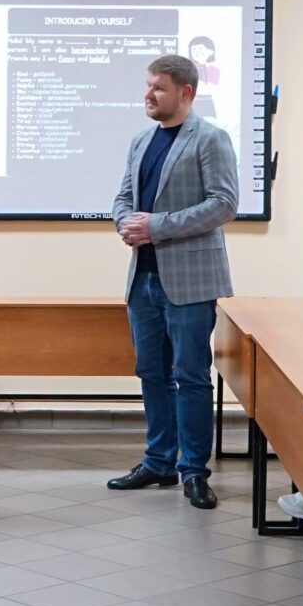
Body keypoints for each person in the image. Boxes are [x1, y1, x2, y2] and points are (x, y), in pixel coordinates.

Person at [106, 54, 240, 510]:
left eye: (158, 87)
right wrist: (125, 223)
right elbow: (124, 197)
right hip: (142, 278)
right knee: (151, 372)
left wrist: (156, 226)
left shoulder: (211, 138)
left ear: (186, 92)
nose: (148, 94)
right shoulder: (141, 141)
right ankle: (159, 461)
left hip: (190, 281)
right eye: (148, 85)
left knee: (191, 376)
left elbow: (223, 203)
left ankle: (194, 470)